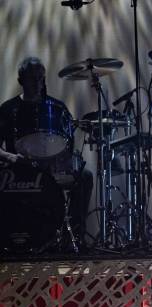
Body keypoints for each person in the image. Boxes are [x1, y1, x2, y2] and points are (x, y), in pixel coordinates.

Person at [0, 57, 93, 248]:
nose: (38, 83)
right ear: (21, 80)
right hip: (17, 169)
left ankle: (74, 239)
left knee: (85, 177)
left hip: (50, 170)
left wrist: (61, 160)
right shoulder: (8, 109)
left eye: (41, 78)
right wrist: (11, 157)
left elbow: (68, 145)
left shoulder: (57, 108)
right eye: (32, 78)